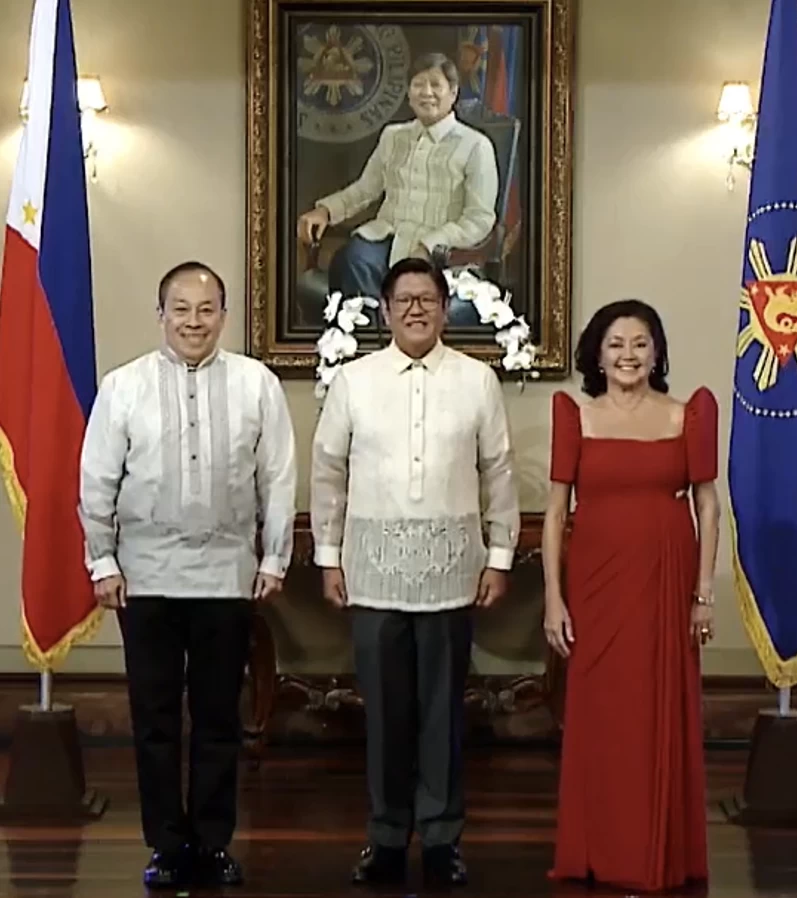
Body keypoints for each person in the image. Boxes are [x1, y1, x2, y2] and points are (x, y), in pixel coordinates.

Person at [78, 261, 297, 890]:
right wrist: (103, 560)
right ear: (161, 315)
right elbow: (97, 480)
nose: (193, 321)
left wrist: (274, 557)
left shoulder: (257, 384)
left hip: (226, 574)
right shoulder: (124, 388)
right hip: (143, 578)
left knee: (218, 717)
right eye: (181, 308)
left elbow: (277, 477)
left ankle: (212, 841)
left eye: (206, 310)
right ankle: (167, 845)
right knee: (154, 718)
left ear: (223, 316)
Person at [310, 256, 519, 888]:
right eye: (404, 300)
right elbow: (328, 472)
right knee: (386, 714)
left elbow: (498, 473)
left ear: (444, 306)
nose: (416, 310)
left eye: (427, 298)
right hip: (373, 572)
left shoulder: (478, 380)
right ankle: (384, 835)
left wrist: (501, 556)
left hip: (454, 574)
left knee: (442, 715)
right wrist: (327, 557)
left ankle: (441, 837)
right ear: (385, 307)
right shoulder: (354, 380)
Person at [542, 299, 719, 892]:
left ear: (657, 352)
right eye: (616, 343)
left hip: (667, 581)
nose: (628, 355)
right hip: (594, 585)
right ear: (597, 353)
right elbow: (554, 512)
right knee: (602, 715)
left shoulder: (687, 414)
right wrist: (553, 599)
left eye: (641, 343)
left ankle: (658, 850)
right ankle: (600, 850)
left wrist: (703, 594)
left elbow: (708, 505)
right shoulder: (575, 416)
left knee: (656, 710)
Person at [297, 52, 498, 326]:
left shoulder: (476, 145)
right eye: (418, 84)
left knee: (413, 282)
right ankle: (369, 347)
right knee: (352, 259)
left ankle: (397, 346)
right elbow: (365, 189)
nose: (426, 93)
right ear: (408, 93)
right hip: (388, 237)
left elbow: (479, 219)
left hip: (442, 252)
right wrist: (325, 211)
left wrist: (431, 244)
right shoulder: (394, 136)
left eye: (435, 85)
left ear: (453, 93)